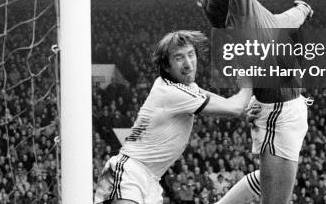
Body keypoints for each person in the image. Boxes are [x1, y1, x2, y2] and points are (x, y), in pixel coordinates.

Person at [195, 0, 313, 204]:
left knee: (270, 182)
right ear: (234, 0)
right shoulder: (243, 15)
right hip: (281, 115)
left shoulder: (248, 23)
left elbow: (280, 22)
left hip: (283, 110)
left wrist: (302, 11)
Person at [94, 30, 253, 204]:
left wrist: (250, 105)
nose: (188, 64)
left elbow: (230, 104)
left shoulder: (183, 87)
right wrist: (250, 81)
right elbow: (235, 108)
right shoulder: (173, 92)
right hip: (130, 171)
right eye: (179, 58)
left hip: (150, 178)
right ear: (167, 66)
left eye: (191, 55)